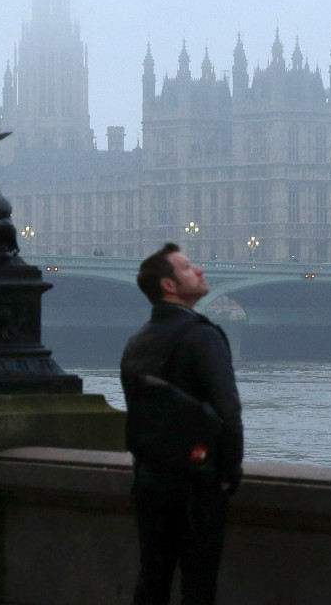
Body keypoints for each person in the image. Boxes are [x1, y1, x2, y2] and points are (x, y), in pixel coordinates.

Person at [120, 243, 242, 605]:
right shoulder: (202, 336)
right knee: (199, 583)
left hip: (150, 478)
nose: (201, 270)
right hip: (197, 482)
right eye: (188, 268)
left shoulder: (137, 341)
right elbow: (228, 410)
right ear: (169, 286)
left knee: (152, 578)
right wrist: (228, 473)